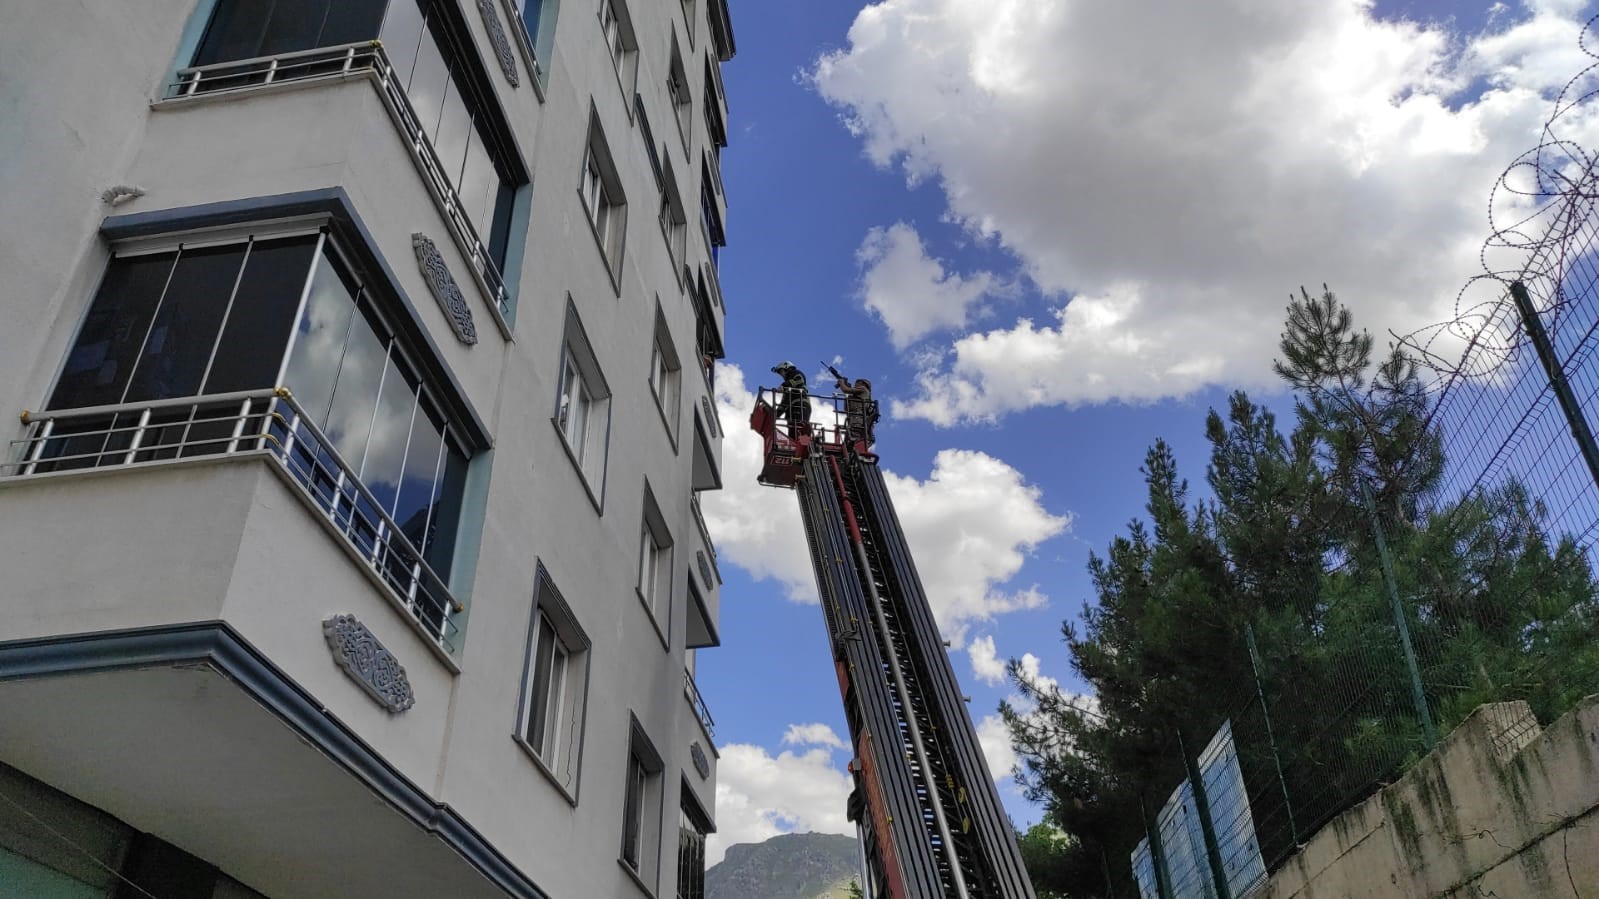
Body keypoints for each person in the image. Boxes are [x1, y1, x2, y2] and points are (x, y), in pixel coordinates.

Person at [836, 376, 878, 447]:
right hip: (855, 419)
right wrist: (849, 392)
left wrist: (841, 383)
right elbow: (846, 409)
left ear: (863, 384)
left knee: (855, 439)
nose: (855, 385)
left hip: (858, 420)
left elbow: (845, 390)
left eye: (857, 383)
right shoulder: (860, 394)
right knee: (852, 440)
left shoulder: (864, 389)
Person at [771, 361, 811, 435]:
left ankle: (806, 442)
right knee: (793, 434)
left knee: (800, 428)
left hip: (801, 405)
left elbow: (799, 380)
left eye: (781, 372)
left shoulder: (796, 373)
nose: (781, 375)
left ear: (787, 368)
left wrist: (784, 386)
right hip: (793, 410)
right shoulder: (788, 390)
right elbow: (784, 404)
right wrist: (773, 416)